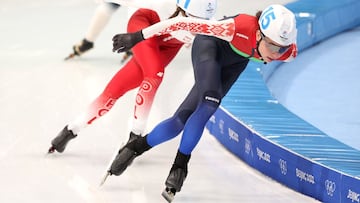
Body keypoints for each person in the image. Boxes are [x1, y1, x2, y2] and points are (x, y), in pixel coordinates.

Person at [107, 4, 297, 202]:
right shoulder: (235, 27)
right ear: (258, 34)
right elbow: (181, 22)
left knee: (180, 120)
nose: (277, 54)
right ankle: (180, 166)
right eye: (273, 46)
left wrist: (279, 48)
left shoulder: (288, 53)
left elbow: (282, 49)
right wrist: (137, 36)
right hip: (209, 47)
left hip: (235, 62)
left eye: (282, 48)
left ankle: (135, 148)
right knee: (209, 104)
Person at [48, 0, 218, 154]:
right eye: (191, 20)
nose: (194, 27)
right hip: (143, 25)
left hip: (167, 46)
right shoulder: (161, 5)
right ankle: (136, 134)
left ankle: (70, 130)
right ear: (180, 10)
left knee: (115, 90)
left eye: (200, 23)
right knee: (155, 73)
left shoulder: (208, 20)